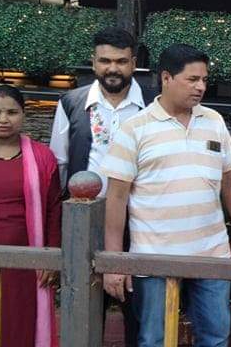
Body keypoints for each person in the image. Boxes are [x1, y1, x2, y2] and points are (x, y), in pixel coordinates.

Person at [100, 44, 231, 347]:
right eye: (192, 79)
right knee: (153, 340)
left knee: (215, 338)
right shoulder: (135, 128)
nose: (201, 87)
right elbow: (116, 198)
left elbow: (229, 178)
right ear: (166, 78)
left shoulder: (213, 120)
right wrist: (115, 261)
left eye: (204, 80)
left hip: (211, 254)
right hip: (153, 256)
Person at [49, 26, 150, 345]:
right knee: (86, 308)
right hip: (86, 221)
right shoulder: (72, 102)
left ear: (133, 64)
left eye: (121, 61)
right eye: (105, 61)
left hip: (139, 222)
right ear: (93, 62)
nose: (112, 68)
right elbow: (60, 165)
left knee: (139, 311)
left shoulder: (152, 104)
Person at [0, 85, 61, 347]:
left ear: (23, 114)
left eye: (12, 112)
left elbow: (54, 209)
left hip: (27, 260)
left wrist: (51, 256)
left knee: (20, 324)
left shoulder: (43, 157)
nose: (3, 119)